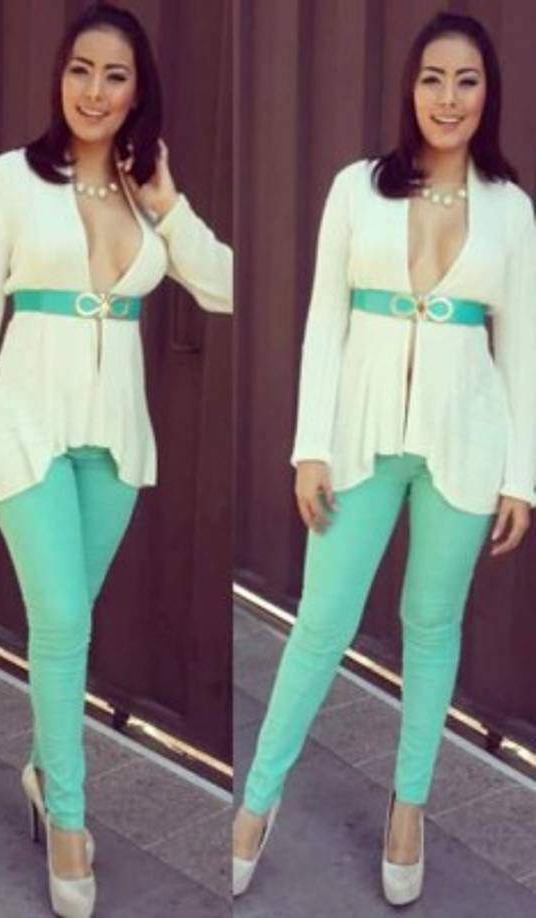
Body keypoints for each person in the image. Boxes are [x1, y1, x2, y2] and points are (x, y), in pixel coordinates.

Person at [232, 11, 535, 907]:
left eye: (468, 81)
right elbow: (325, 319)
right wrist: (309, 448)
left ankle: (410, 807)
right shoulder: (357, 188)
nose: (449, 98)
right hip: (360, 440)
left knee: (432, 626)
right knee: (322, 623)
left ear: (490, 94)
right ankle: (256, 802)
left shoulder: (512, 209)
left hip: (465, 444)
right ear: (410, 88)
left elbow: (521, 348)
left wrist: (522, 474)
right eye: (434, 79)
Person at [0, 3, 232, 915]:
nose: (93, 91)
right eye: (80, 69)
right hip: (23, 423)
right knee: (61, 618)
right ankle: (67, 818)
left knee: (72, 625)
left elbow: (223, 287)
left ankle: (39, 766)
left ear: (139, 90)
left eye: (114, 75)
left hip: (115, 442)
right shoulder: (11, 181)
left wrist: (168, 205)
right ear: (58, 76)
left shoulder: (147, 200)